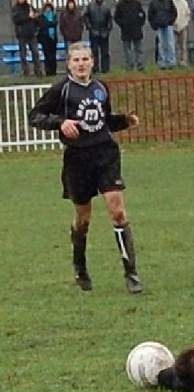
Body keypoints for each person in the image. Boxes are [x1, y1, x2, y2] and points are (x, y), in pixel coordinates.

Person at [28, 42, 144, 294]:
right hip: (77, 159)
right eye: (76, 60)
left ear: (92, 62)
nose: (81, 64)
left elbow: (102, 122)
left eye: (85, 59)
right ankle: (80, 267)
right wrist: (60, 122)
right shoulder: (62, 89)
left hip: (105, 155)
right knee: (83, 218)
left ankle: (131, 273)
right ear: (69, 64)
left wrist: (124, 121)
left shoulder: (101, 87)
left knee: (118, 212)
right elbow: (34, 116)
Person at [11, 0, 43, 77]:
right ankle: (26, 72)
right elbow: (16, 20)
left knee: (35, 53)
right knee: (23, 54)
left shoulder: (29, 6)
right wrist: (28, 17)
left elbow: (36, 17)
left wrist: (36, 18)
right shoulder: (16, 8)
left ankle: (38, 71)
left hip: (31, 34)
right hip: (21, 35)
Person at [114, 0, 146, 71]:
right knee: (127, 50)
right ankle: (129, 66)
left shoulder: (137, 3)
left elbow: (142, 15)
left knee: (138, 49)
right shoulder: (120, 5)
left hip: (137, 30)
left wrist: (140, 23)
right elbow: (116, 17)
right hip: (126, 31)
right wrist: (122, 24)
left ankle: (140, 65)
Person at [83, 0, 113, 73]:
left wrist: (108, 29)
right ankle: (95, 68)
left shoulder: (106, 6)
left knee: (105, 52)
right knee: (94, 51)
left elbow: (110, 18)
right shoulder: (90, 6)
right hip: (94, 31)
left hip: (104, 32)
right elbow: (86, 17)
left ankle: (105, 69)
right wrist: (90, 27)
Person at [148, 0, 177, 69]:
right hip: (159, 26)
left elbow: (174, 12)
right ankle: (162, 63)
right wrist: (154, 25)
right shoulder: (153, 3)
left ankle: (171, 62)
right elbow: (150, 15)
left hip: (168, 25)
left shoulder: (169, 1)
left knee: (170, 44)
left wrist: (171, 21)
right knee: (161, 45)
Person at [38, 2, 58, 77]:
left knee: (53, 55)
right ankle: (48, 71)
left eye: (49, 7)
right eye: (47, 8)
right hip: (44, 38)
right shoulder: (41, 16)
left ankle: (54, 71)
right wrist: (50, 23)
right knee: (47, 55)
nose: (48, 9)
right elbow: (43, 25)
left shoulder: (54, 15)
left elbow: (55, 23)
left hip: (53, 38)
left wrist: (49, 23)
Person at [173, 0, 191, 67]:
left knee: (183, 46)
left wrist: (186, 23)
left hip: (183, 27)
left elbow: (188, 14)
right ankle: (173, 61)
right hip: (173, 27)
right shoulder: (172, 2)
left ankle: (183, 61)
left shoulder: (184, 2)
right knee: (173, 46)